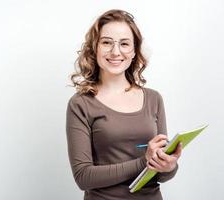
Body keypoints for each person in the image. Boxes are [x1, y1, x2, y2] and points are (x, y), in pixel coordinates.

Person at [66, 9, 182, 200]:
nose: (115, 51)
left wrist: (169, 166)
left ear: (134, 51)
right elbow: (83, 177)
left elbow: (162, 175)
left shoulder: (154, 99)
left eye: (124, 44)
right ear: (95, 48)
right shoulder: (81, 104)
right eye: (106, 42)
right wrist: (144, 161)